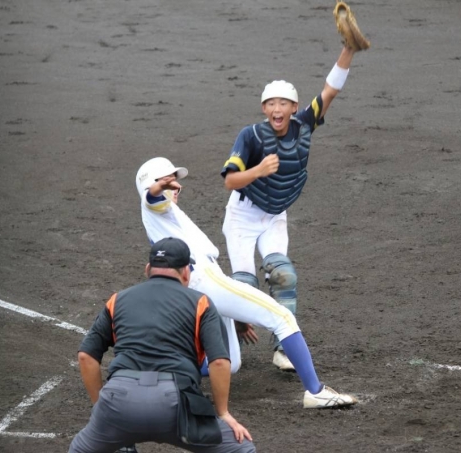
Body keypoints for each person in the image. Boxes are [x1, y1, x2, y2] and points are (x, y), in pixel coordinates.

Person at [135, 157, 357, 409]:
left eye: (174, 181)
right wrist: (158, 187)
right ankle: (315, 391)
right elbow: (151, 197)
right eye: (169, 180)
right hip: (205, 280)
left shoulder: (167, 214)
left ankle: (161, 373)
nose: (176, 186)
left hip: (204, 282)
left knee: (229, 361)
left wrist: (235, 312)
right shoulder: (155, 206)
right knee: (282, 318)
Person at [219, 45, 357, 370]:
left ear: (294, 107)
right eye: (271, 103)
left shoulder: (304, 125)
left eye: (283, 103)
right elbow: (230, 181)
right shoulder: (250, 136)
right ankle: (227, 335)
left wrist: (349, 50)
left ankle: (283, 349)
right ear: (264, 108)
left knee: (283, 276)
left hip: (274, 215)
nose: (276, 108)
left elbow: (330, 90)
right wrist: (258, 170)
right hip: (242, 216)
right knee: (244, 287)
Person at [69, 237, 255, 453]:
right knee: (241, 449)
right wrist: (223, 413)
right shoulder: (200, 302)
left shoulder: (117, 300)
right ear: (186, 272)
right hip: (175, 404)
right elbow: (220, 362)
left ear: (148, 269)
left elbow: (86, 356)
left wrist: (101, 409)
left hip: (119, 402)